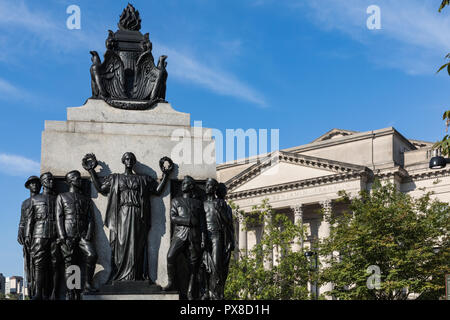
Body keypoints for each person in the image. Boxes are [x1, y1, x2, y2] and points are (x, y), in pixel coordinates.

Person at [82, 152, 173, 282]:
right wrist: (91, 171)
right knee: (121, 243)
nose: (129, 160)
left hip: (137, 215)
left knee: (137, 244)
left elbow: (157, 191)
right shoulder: (115, 178)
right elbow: (101, 189)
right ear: (123, 161)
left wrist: (166, 175)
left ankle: (137, 276)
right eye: (126, 158)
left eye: (131, 159)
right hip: (122, 215)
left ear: (134, 162)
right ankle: (119, 275)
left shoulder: (142, 179)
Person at [163, 176, 206, 300]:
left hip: (194, 236)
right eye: (183, 183)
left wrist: (203, 238)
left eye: (186, 183)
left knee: (194, 265)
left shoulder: (198, 203)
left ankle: (190, 291)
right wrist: (188, 220)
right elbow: (173, 218)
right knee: (170, 256)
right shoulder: (176, 201)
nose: (183, 185)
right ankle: (171, 283)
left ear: (191, 186)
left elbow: (202, 223)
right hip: (180, 234)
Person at [56, 170, 97, 300]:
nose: (79, 180)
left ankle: (87, 284)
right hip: (68, 233)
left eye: (79, 178)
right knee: (71, 262)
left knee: (92, 255)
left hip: (83, 234)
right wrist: (62, 235)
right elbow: (59, 217)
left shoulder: (86, 199)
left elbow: (91, 218)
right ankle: (71, 291)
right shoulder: (62, 197)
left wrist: (89, 233)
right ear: (70, 181)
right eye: (77, 178)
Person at [25, 172, 61, 300]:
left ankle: (54, 293)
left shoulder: (58, 198)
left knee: (55, 264)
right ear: (43, 182)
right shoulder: (34, 199)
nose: (51, 181)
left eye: (52, 179)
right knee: (39, 264)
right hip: (39, 235)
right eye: (48, 180)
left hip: (55, 235)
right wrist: (28, 235)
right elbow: (30, 220)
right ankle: (38, 293)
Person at [18, 176, 41, 299]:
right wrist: (20, 232)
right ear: (29, 186)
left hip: (39, 234)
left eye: (37, 183)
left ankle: (38, 290)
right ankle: (32, 291)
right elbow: (22, 221)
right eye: (32, 184)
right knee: (29, 264)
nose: (35, 186)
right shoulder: (25, 203)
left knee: (39, 265)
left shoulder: (42, 200)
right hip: (28, 237)